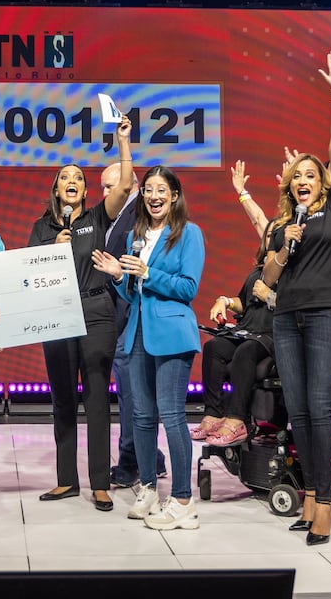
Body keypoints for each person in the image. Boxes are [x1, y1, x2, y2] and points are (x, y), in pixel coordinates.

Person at [259, 52, 331, 546]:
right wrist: (282, 245)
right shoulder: (285, 223)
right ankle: (312, 495)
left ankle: (326, 498)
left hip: (325, 313)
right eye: (297, 175)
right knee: (296, 409)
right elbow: (270, 275)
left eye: (310, 175)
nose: (303, 180)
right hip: (286, 315)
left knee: (319, 405)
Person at [28, 118, 133, 512]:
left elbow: (123, 187)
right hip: (56, 313)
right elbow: (30, 273)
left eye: (78, 178)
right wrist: (51, 247)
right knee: (62, 400)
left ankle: (100, 483)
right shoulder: (41, 228)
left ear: (85, 191)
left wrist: (123, 143)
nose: (71, 181)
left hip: (95, 311)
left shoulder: (95, 219)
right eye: (64, 177)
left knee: (96, 397)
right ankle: (66, 481)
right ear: (56, 189)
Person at [93, 165, 205, 531]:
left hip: (172, 334)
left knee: (171, 415)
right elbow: (131, 293)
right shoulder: (135, 237)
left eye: (161, 191)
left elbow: (188, 288)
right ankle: (149, 489)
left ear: (174, 195)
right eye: (149, 191)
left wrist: (146, 273)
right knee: (140, 415)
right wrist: (119, 277)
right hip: (137, 331)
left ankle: (184, 500)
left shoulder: (189, 234)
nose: (154, 197)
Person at [196, 159, 273, 446]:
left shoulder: (292, 265)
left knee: (245, 352)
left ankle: (237, 418)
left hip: (271, 335)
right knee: (215, 347)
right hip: (248, 330)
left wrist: (272, 297)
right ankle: (213, 414)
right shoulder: (258, 268)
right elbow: (242, 302)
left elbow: (259, 219)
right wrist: (225, 301)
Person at [101, 161, 166, 487]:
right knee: (135, 395)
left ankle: (132, 462)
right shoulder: (115, 218)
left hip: (133, 316)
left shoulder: (141, 215)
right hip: (120, 315)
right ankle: (150, 458)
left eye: (108, 186)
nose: (103, 194)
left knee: (134, 395)